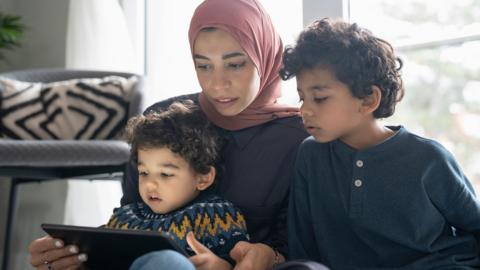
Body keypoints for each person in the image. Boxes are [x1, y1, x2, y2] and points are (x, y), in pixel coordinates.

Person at [28, 0, 309, 269]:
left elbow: (299, 247)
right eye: (203, 65)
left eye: (235, 64)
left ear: (265, 53)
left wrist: (262, 258)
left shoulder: (298, 138)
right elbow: (132, 219)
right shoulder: (165, 119)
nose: (218, 84)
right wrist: (76, 256)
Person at [280, 18, 480, 269]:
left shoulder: (429, 158)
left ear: (368, 100)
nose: (305, 110)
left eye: (319, 98)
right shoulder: (310, 155)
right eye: (301, 98)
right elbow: (303, 247)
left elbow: (475, 225)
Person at [104, 100, 249, 269]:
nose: (150, 184)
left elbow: (241, 262)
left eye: (165, 174)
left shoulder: (218, 216)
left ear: (203, 178)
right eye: (144, 173)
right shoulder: (124, 217)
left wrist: (221, 266)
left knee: (169, 262)